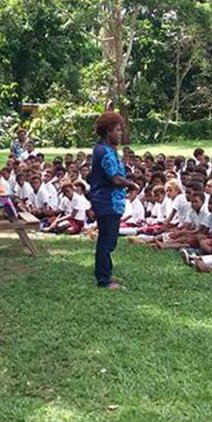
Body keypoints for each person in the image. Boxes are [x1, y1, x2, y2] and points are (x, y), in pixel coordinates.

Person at [88, 111, 138, 290]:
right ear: (108, 131)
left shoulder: (104, 149)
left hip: (108, 201)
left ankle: (105, 272)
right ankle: (104, 279)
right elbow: (115, 178)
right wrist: (132, 184)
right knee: (107, 241)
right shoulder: (105, 152)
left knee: (109, 241)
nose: (120, 133)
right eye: (117, 130)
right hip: (107, 201)